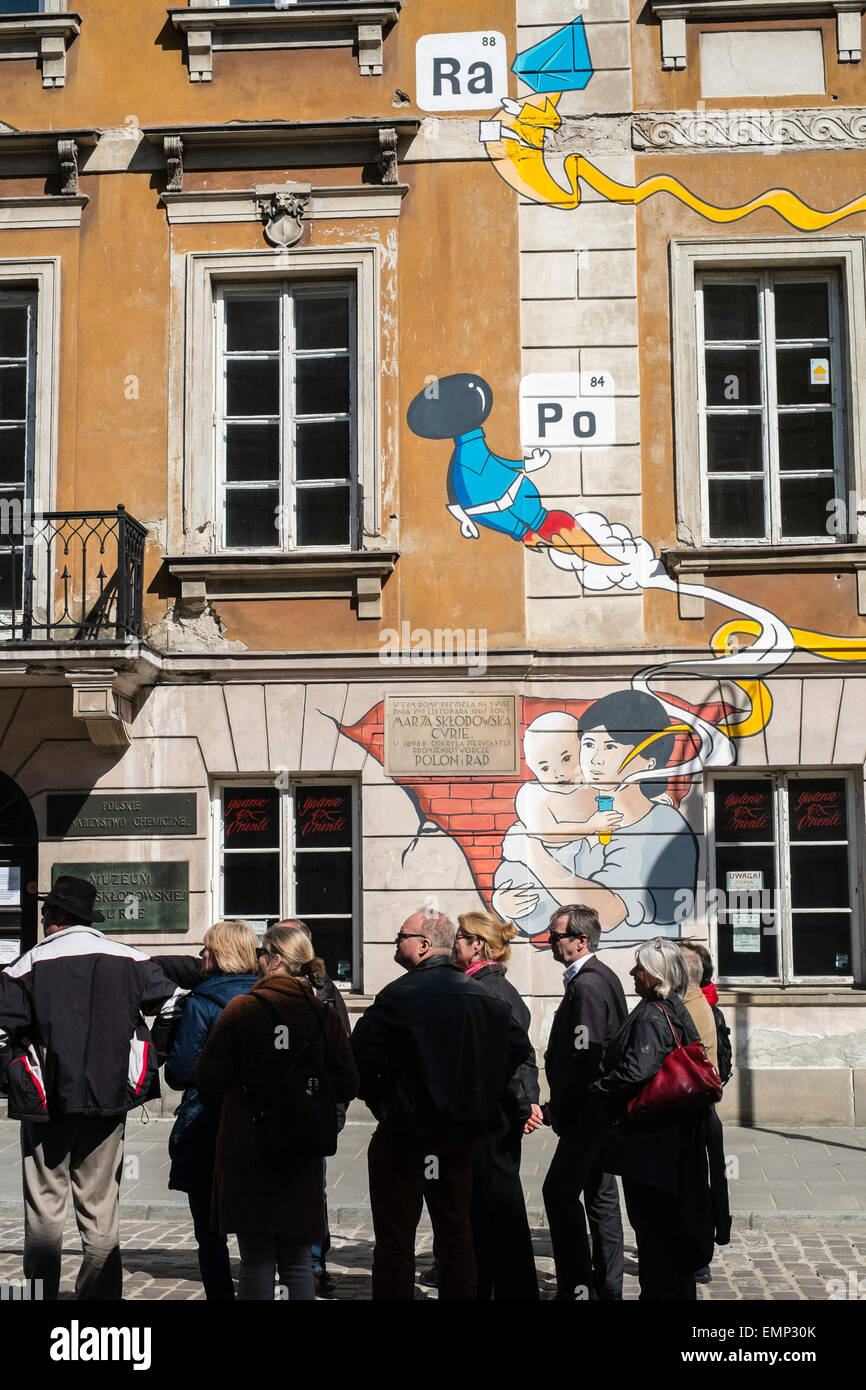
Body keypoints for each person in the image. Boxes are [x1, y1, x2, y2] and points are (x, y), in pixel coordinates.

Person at [0, 875, 184, 1300]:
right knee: (101, 1208)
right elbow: (175, 1003)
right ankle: (99, 1298)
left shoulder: (28, 964)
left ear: (59, 916)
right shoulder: (129, 958)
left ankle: (41, 1295)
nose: (43, 919)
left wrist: (13, 1077)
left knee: (45, 1209)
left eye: (46, 913)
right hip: (109, 1100)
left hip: (45, 1103)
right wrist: (150, 1053)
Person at [350, 907, 532, 1301]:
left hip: (407, 1136)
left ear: (424, 945)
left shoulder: (400, 995)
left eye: (401, 935)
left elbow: (358, 1060)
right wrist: (478, 1092)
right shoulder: (483, 996)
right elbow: (516, 1050)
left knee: (399, 1240)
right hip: (459, 1136)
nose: (396, 942)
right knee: (456, 1236)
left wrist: (384, 1100)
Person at [194, 924, 358, 1300]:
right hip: (302, 1150)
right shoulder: (322, 1014)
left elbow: (207, 1075)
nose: (258, 960)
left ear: (276, 960)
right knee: (299, 1261)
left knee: (256, 1261)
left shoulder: (242, 1010)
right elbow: (349, 1084)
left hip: (248, 1147)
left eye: (262, 954)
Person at [492, 691, 697, 942]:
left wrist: (533, 854)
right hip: (571, 969)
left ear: (649, 762)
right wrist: (508, 904)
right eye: (588, 745)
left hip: (638, 965)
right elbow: (542, 909)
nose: (594, 759)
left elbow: (606, 915)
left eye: (610, 747)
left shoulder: (663, 824)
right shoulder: (569, 816)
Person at [591, 938, 715, 1301]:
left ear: (656, 974)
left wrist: (598, 1087)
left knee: (655, 1235)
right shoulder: (674, 1006)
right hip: (674, 1138)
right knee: (670, 1237)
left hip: (652, 1144)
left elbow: (636, 1071)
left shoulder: (651, 1014)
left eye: (639, 967)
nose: (632, 972)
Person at [162, 920, 258, 1300]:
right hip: (260, 1126)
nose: (201, 954)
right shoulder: (272, 995)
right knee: (257, 1227)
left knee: (209, 1232)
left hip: (208, 1124)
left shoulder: (201, 1002)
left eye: (206, 948)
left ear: (220, 954)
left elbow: (180, 1071)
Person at [451, 909, 542, 1300]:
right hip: (495, 1114)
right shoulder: (489, 987)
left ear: (478, 946)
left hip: (493, 1118)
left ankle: (514, 1289)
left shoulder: (488, 991)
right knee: (489, 1209)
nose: (454, 942)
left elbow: (517, 1056)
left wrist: (525, 1107)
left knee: (500, 1208)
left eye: (460, 936)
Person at [541, 904, 628, 1300]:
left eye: (556, 935)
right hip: (597, 1111)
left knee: (559, 1192)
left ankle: (578, 1285)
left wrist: (560, 1104)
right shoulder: (596, 976)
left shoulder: (589, 984)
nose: (550, 941)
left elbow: (586, 1052)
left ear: (580, 940)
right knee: (601, 1196)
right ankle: (606, 1286)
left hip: (587, 1114)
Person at [272, 917, 351, 1299]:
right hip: (274, 1120)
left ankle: (312, 1265)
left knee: (310, 1191)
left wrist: (332, 1114)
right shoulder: (257, 999)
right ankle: (290, 1264)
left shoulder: (326, 995)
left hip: (306, 1118)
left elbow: (344, 1061)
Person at [680, 940, 732, 1282]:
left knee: (693, 1181)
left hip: (692, 1110)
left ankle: (698, 1254)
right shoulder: (709, 1006)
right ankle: (706, 1243)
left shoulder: (692, 1009)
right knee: (708, 1177)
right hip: (706, 1107)